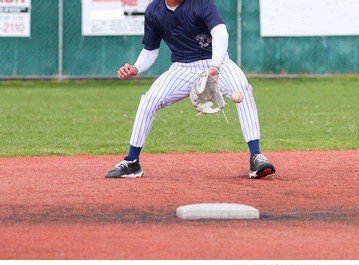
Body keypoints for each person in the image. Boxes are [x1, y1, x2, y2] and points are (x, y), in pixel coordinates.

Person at [105, 0, 276, 179]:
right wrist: (136, 67)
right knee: (149, 99)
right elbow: (150, 49)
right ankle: (132, 162)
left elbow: (220, 33)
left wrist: (215, 66)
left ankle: (256, 156)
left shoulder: (201, 3)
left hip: (216, 62)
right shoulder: (154, 11)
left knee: (243, 89)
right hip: (182, 68)